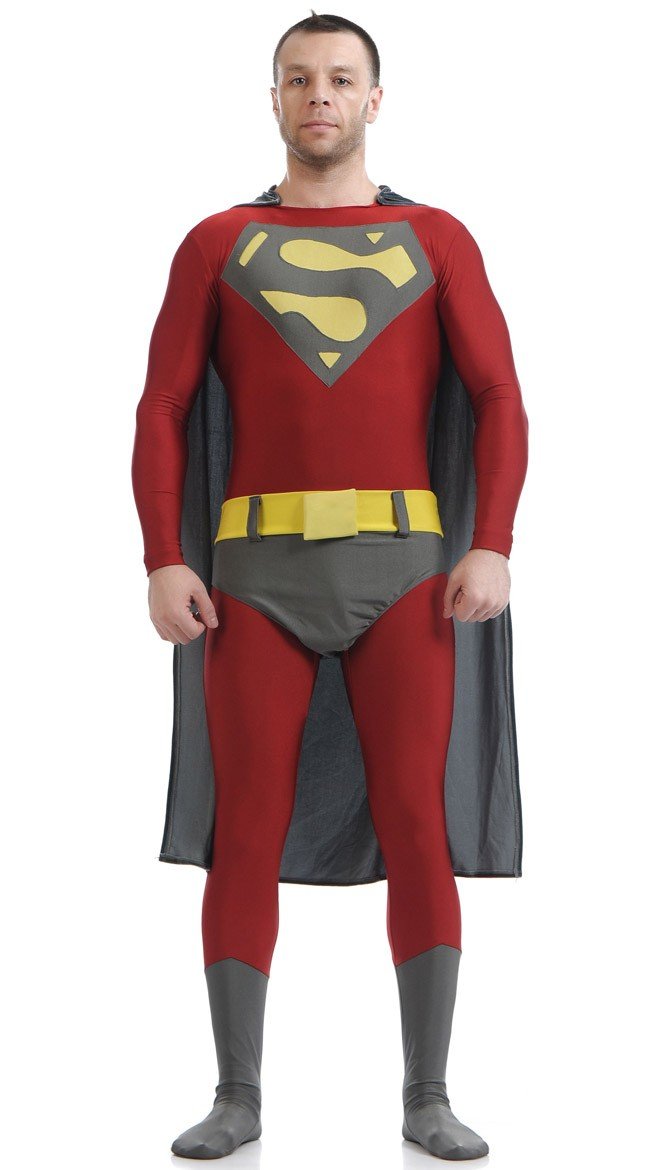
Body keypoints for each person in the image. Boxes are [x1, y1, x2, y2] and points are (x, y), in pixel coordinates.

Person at [132, 9, 528, 1161]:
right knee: (245, 825)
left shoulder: (435, 237)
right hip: (253, 577)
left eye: (341, 79)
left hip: (403, 573)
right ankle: (237, 1096)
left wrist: (490, 539)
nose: (320, 96)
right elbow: (162, 406)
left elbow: (498, 395)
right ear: (273, 98)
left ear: (373, 100)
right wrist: (161, 554)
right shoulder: (215, 242)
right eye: (299, 78)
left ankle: (426, 1097)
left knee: (415, 818)